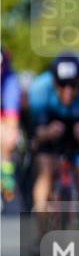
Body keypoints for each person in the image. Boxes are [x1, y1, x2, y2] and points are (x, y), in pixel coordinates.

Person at [28, 51, 79, 232]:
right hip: (50, 132)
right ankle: (43, 233)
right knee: (45, 174)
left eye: (74, 86)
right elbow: (36, 134)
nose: (68, 92)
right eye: (62, 86)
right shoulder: (39, 89)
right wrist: (47, 132)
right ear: (53, 82)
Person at [1, 48, 21, 202]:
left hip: (4, 117)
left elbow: (11, 117)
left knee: (8, 137)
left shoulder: (10, 81)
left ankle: (6, 175)